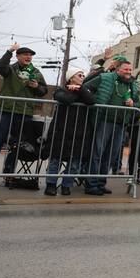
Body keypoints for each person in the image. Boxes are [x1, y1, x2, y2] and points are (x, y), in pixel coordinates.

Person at [0, 43, 48, 177]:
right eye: (25, 54)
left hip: (25, 113)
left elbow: (43, 91)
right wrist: (9, 51)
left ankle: (8, 175)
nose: (28, 57)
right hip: (6, 111)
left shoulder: (36, 72)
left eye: (30, 55)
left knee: (19, 145)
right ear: (18, 56)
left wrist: (36, 86)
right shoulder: (11, 69)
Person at [82, 60, 139, 195]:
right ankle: (91, 184)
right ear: (117, 70)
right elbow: (85, 87)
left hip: (121, 123)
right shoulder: (105, 77)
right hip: (103, 121)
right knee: (97, 153)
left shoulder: (133, 84)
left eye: (130, 70)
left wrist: (133, 103)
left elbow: (137, 102)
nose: (129, 72)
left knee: (110, 155)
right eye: (126, 69)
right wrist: (93, 102)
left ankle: (101, 183)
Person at [43, 68, 96, 196]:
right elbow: (66, 99)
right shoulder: (61, 90)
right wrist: (78, 91)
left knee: (74, 163)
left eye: (83, 75)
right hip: (60, 131)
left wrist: (79, 88)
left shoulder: (84, 90)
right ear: (71, 78)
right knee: (55, 160)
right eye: (79, 75)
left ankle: (66, 185)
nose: (83, 77)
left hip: (79, 132)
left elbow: (91, 101)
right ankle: (51, 185)